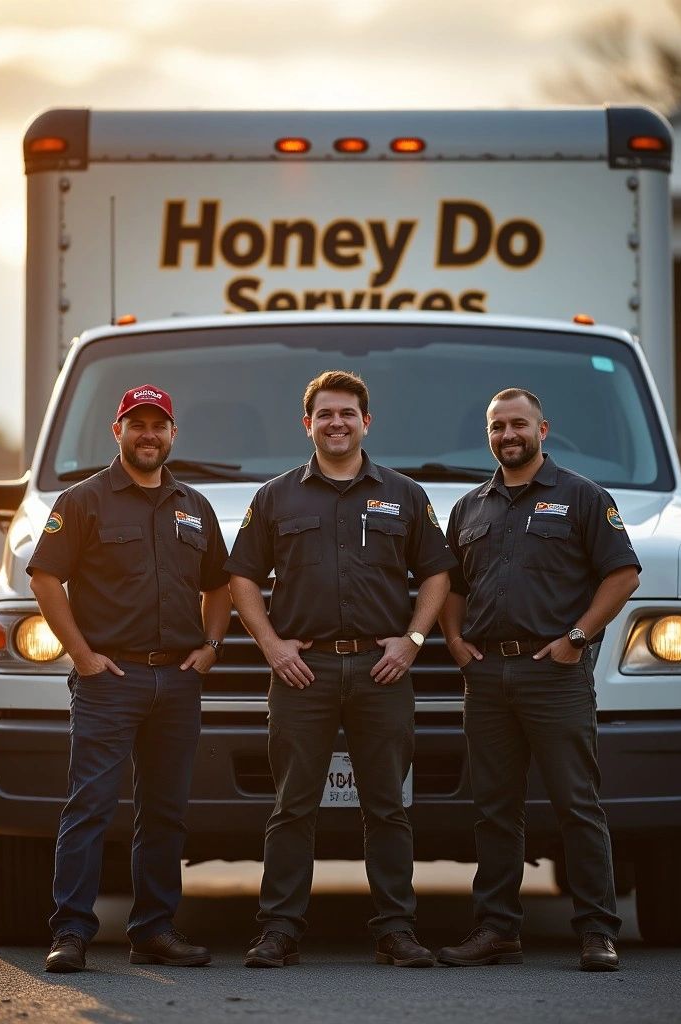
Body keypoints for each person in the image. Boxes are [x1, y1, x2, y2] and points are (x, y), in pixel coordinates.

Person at [227, 370, 456, 968]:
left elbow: (437, 572)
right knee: (293, 806)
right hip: (304, 674)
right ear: (308, 424)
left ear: (365, 422)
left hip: (382, 673)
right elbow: (242, 578)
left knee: (387, 806)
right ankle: (279, 930)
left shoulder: (405, 494)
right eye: (325, 414)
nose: (336, 423)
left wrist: (411, 641)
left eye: (347, 413)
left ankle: (395, 931)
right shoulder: (275, 497)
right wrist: (272, 647)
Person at [436, 387, 640, 973]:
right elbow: (451, 585)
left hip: (554, 675)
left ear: (543, 430)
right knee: (495, 808)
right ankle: (497, 928)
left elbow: (622, 575)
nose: (508, 435)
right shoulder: (471, 507)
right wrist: (454, 643)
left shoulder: (582, 497)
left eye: (518, 425)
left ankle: (597, 930)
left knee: (577, 804)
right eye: (498, 427)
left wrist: (577, 639)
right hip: (488, 676)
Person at [28, 384, 230, 973]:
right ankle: (70, 932)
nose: (148, 434)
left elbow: (219, 583)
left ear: (173, 435)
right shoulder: (83, 501)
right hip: (109, 681)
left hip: (177, 682)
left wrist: (212, 647)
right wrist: (83, 656)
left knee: (165, 811)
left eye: (158, 425)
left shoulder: (194, 504)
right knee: (90, 805)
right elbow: (45, 577)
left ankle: (154, 930)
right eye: (136, 424)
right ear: (117, 431)